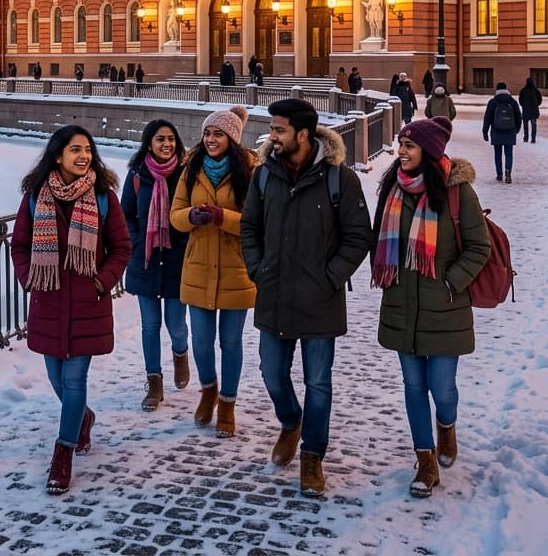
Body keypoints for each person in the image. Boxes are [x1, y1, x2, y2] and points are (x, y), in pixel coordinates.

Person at [240, 98, 372, 497]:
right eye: (272, 129)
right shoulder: (265, 175)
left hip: (320, 299)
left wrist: (330, 278)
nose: (272, 137)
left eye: (279, 130)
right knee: (271, 373)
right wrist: (258, 269)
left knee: (318, 382)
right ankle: (290, 421)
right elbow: (249, 227)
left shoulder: (339, 179)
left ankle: (312, 455)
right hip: (275, 293)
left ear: (302, 134)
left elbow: (358, 236)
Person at [371, 116, 491, 498]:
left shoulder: (457, 192)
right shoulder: (392, 187)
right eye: (401, 144)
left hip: (445, 308)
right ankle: (425, 459)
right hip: (401, 305)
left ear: (429, 150)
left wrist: (450, 283)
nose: (401, 151)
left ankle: (447, 425)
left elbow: (480, 247)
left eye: (409, 145)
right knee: (412, 385)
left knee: (442, 388)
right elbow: (377, 238)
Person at [11, 125, 131, 496]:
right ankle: (83, 416)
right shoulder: (36, 196)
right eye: (75, 149)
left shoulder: (103, 196)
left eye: (87, 150)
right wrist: (29, 277)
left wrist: (100, 282)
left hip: (87, 302)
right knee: (57, 379)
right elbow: (19, 245)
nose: (83, 156)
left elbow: (122, 248)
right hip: (48, 299)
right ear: (58, 155)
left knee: (75, 379)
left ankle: (62, 455)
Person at [170, 106, 256, 438]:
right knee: (202, 342)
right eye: (207, 133)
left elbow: (256, 221)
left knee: (231, 342)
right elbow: (175, 215)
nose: (210, 139)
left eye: (218, 134)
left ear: (232, 138)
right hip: (199, 267)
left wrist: (224, 218)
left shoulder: (250, 170)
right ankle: (208, 390)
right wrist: (191, 216)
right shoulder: (191, 167)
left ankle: (228, 404)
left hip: (236, 268)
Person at [120, 119, 190, 413]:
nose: (167, 144)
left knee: (176, 324)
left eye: (171, 139)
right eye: (160, 139)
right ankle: (154, 383)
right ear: (149, 143)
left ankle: (180, 353)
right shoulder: (138, 175)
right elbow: (125, 214)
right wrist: (137, 241)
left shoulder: (185, 174)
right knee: (150, 325)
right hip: (146, 261)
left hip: (176, 260)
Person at [482, 82, 522, 183]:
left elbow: (487, 118)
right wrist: (517, 129)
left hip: (496, 131)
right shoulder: (512, 102)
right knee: (509, 153)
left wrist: (485, 132)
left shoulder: (493, 102)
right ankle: (508, 172)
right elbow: (518, 116)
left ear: (497, 90)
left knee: (498, 154)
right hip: (510, 131)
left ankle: (499, 174)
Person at [519, 76, 543, 143]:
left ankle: (526, 137)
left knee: (525, 125)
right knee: (533, 125)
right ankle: (533, 138)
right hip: (534, 110)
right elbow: (540, 100)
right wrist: (536, 105)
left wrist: (524, 105)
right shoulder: (536, 90)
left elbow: (520, 100)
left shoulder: (523, 90)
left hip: (526, 110)